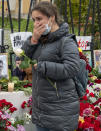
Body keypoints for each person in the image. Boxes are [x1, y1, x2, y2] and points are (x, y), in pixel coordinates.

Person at [21, 2, 80, 131]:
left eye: (39, 19)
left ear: (52, 17)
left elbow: (72, 68)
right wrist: (33, 40)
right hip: (42, 111)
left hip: (60, 113)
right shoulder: (41, 40)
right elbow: (22, 58)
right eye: (34, 20)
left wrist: (43, 67)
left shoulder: (66, 41)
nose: (36, 23)